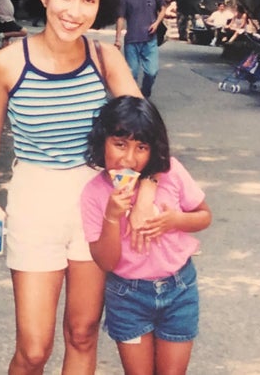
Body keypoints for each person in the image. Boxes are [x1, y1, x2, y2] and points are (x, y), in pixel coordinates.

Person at [0, 0, 157, 375]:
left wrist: (147, 191)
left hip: (96, 202)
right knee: (33, 351)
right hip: (35, 199)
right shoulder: (8, 63)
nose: (75, 10)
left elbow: (146, 129)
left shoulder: (104, 57)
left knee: (83, 333)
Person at [81, 96, 212, 375]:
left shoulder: (171, 172)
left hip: (180, 289)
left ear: (154, 150)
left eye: (141, 147)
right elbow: (106, 262)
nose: (129, 158)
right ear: (102, 141)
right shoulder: (94, 193)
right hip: (127, 296)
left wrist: (175, 220)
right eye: (119, 144)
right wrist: (112, 216)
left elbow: (204, 215)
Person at [115, 0, 167, 98]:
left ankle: (145, 92)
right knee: (131, 74)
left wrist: (156, 23)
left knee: (152, 72)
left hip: (150, 40)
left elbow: (163, 9)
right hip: (132, 41)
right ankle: (134, 100)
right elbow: (120, 17)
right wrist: (118, 38)